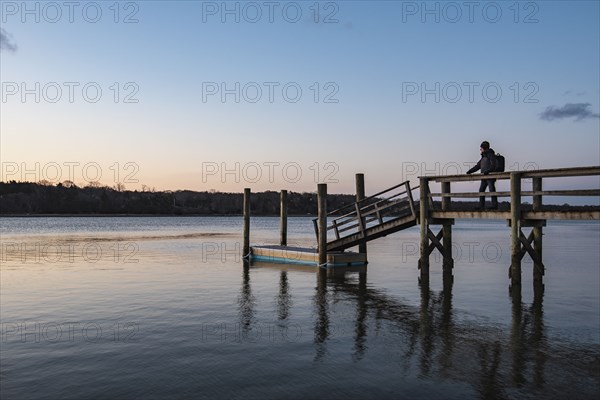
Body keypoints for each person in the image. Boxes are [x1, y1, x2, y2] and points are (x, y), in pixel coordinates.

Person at [467, 141, 498, 210]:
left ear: (483, 148)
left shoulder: (490, 154)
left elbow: (493, 165)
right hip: (484, 176)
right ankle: (481, 206)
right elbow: (478, 166)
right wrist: (470, 171)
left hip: (490, 176)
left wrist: (488, 171)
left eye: (481, 148)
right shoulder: (483, 156)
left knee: (491, 190)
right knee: (481, 190)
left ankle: (494, 206)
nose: (480, 150)